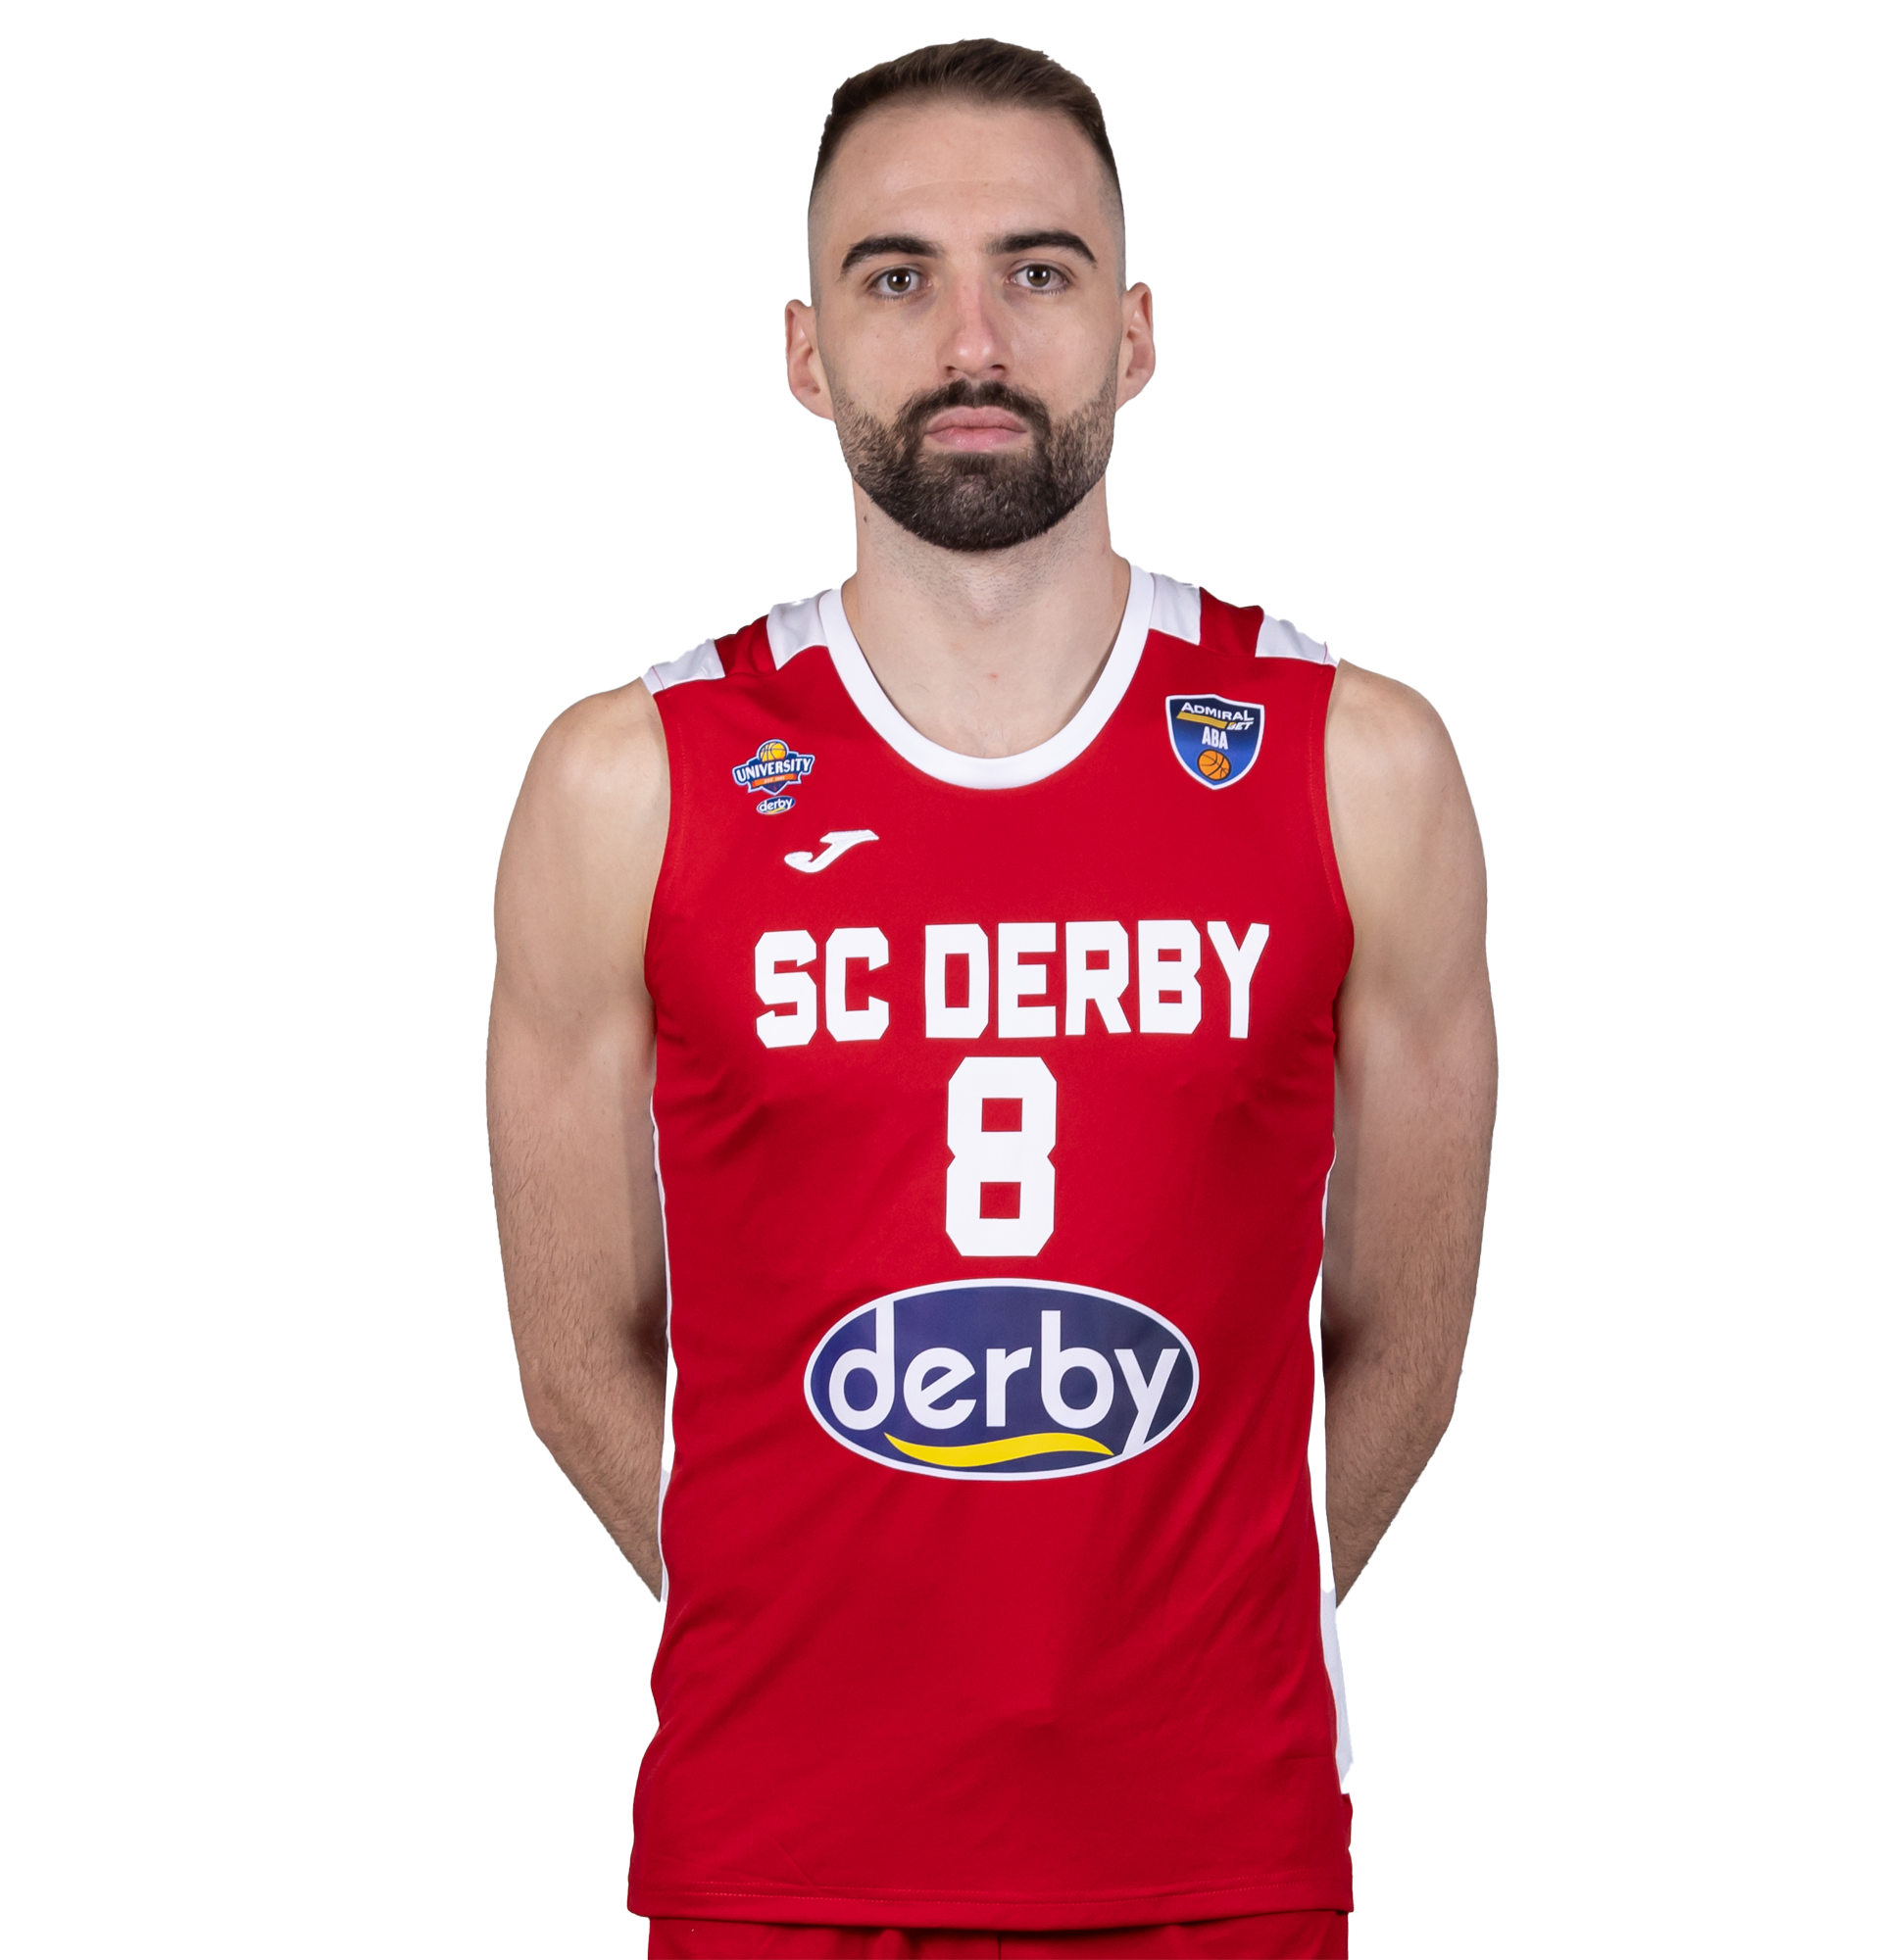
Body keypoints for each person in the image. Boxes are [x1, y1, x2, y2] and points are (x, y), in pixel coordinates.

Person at [488, 36, 1496, 1960]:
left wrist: (1182, 1648)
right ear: (808, 354)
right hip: (777, 1861)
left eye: (1037, 271)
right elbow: (573, 1359)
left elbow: (1404, 1352)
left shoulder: (1353, 769)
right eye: (899, 277)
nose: (972, 339)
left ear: (1132, 333)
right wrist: (823, 1634)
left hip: (1214, 1859)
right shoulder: (629, 786)